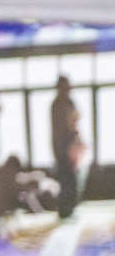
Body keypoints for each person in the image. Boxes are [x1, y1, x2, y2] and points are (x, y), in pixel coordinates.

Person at [50, 77, 82, 220]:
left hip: (70, 145)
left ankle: (70, 207)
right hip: (62, 146)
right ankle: (64, 208)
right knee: (65, 177)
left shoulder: (68, 103)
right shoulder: (57, 105)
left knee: (71, 177)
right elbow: (64, 126)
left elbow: (74, 123)